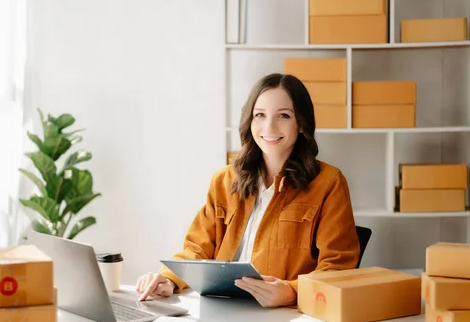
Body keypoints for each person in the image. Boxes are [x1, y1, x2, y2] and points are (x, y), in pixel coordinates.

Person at [136, 73, 360, 307]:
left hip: (285, 316)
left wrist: (292, 292)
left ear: (301, 124)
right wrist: (169, 279)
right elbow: (197, 247)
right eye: (259, 115)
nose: (269, 127)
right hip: (220, 306)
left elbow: (337, 266)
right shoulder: (224, 180)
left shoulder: (328, 182)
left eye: (283, 115)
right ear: (249, 121)